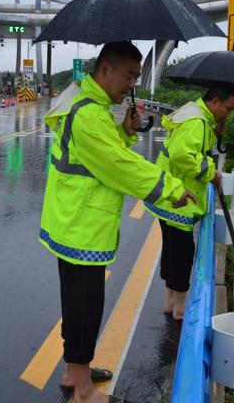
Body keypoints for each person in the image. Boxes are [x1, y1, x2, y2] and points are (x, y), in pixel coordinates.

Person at [38, 41, 195, 403]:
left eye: (136, 77)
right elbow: (117, 167)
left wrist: (124, 132)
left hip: (76, 221)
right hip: (82, 227)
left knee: (78, 306)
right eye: (128, 75)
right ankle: (83, 391)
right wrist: (169, 187)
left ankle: (71, 372)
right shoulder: (90, 115)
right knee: (84, 311)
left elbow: (101, 157)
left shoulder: (90, 106)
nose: (131, 84)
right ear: (105, 68)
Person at [145, 84, 234, 320]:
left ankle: (169, 303)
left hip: (168, 196)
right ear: (215, 102)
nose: (228, 114)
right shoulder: (197, 122)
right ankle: (180, 309)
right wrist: (211, 173)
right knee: (182, 252)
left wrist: (215, 133)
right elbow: (182, 155)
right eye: (228, 108)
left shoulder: (196, 115)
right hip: (179, 198)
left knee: (171, 250)